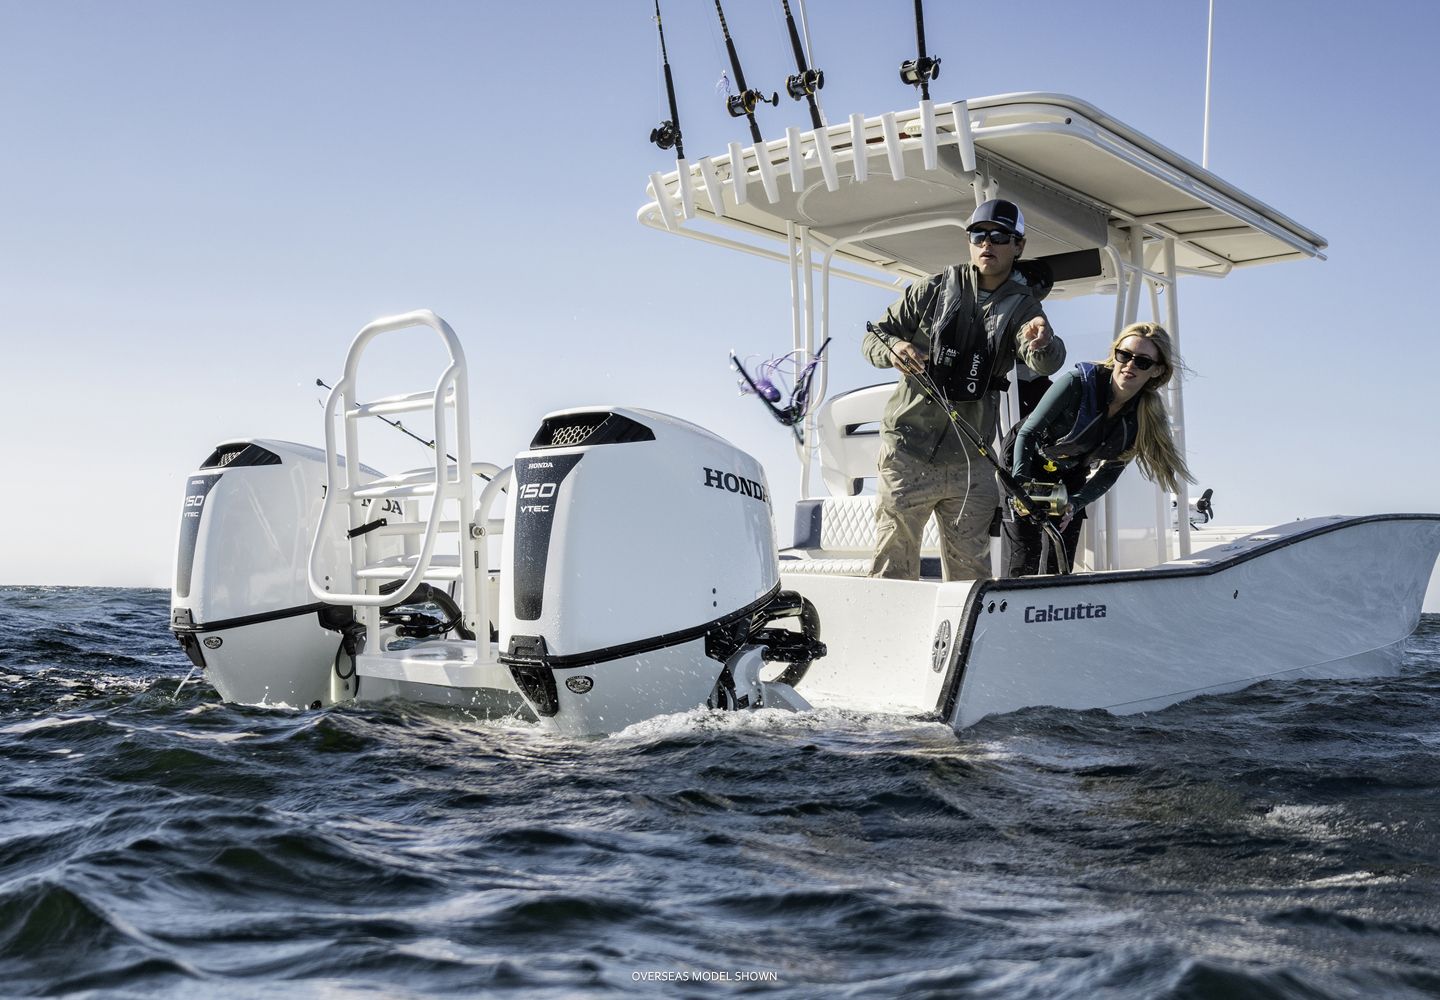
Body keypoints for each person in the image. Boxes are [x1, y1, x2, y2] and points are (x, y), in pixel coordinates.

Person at [862, 199, 1065, 581]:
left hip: (971, 464)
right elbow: (874, 337)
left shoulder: (1024, 309)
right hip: (906, 453)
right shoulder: (932, 289)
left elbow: (1047, 362)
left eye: (1000, 237)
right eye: (979, 235)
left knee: (970, 574)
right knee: (891, 568)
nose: (987, 243)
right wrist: (893, 349)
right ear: (970, 242)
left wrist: (1042, 344)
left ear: (1018, 246)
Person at [1003, 321, 1194, 576]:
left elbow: (1110, 471)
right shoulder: (1076, 383)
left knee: (1061, 551)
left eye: (1142, 362)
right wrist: (1021, 486)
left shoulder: (1144, 416)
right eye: (1124, 355)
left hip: (1070, 470)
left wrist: (1076, 502)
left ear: (1157, 371)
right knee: (1026, 549)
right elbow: (1028, 433)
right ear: (1114, 354)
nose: (1129, 365)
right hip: (1026, 458)